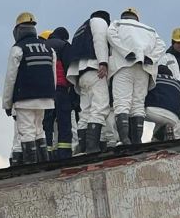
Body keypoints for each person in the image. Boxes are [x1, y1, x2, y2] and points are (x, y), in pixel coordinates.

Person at [2, 12, 56, 164]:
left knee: (26, 131)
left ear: (18, 30)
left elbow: (10, 78)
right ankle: (45, 163)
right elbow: (53, 75)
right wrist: (51, 94)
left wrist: (7, 103)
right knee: (39, 130)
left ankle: (31, 166)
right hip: (46, 97)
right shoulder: (48, 48)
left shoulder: (18, 48)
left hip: (25, 98)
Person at [107, 8, 166, 145]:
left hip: (123, 66)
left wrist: (126, 52)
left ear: (124, 16)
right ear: (136, 18)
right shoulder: (150, 30)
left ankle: (125, 140)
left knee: (122, 102)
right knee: (138, 104)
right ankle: (137, 141)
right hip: (144, 69)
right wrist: (151, 57)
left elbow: (110, 35)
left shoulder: (118, 24)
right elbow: (161, 45)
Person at [67, 11, 111, 153]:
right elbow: (99, 40)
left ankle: (83, 147)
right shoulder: (98, 21)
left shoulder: (81, 28)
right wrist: (103, 62)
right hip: (95, 70)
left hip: (81, 74)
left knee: (85, 111)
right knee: (100, 106)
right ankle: (92, 147)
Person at [43, 27, 73, 159]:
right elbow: (70, 68)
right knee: (63, 122)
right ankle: (63, 153)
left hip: (45, 91)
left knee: (47, 123)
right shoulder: (64, 46)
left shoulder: (42, 46)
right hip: (61, 89)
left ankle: (46, 152)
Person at [145, 65, 180, 141]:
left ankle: (131, 139)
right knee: (164, 119)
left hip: (151, 111)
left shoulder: (152, 78)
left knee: (135, 110)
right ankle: (160, 134)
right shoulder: (179, 84)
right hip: (173, 118)